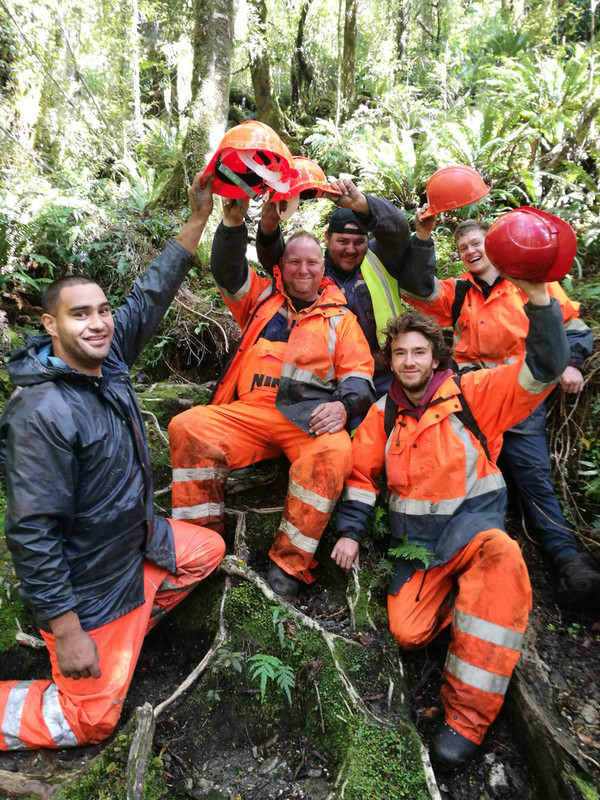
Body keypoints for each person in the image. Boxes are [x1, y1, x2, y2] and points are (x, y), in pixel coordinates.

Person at [0, 174, 225, 750]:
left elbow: (149, 294)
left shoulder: (109, 358)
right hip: (91, 586)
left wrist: (198, 220)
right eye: (80, 314)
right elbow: (32, 532)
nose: (98, 322)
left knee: (208, 551)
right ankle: (91, 652)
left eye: (102, 310)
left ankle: (126, 633)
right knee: (88, 722)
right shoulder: (41, 411)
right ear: (51, 325)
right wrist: (69, 630)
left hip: (136, 543)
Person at [333, 278, 570, 772]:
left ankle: (465, 722)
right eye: (400, 354)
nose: (411, 362)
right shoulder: (382, 413)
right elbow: (360, 475)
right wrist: (351, 532)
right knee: (407, 634)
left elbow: (543, 368)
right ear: (390, 361)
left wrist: (541, 300)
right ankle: (469, 604)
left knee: (503, 557)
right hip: (419, 552)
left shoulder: (474, 393)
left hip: (475, 534)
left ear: (436, 357)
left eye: (420, 352)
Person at [168, 195, 375, 599]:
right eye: (294, 261)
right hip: (247, 414)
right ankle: (199, 544)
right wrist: (231, 222)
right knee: (187, 426)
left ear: (322, 269)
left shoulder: (341, 319)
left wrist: (343, 405)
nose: (303, 269)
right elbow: (228, 270)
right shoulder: (262, 300)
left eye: (312, 262)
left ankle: (288, 564)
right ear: (281, 266)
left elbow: (359, 377)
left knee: (334, 454)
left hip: (307, 419)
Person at [400, 218, 599, 610]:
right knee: (466, 475)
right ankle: (463, 561)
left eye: (477, 243)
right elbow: (418, 291)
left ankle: (569, 561)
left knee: (532, 475)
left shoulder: (529, 282)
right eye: (463, 249)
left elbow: (572, 327)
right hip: (469, 397)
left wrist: (570, 363)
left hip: (519, 394)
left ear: (494, 245)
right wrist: (421, 237)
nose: (471, 252)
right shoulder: (458, 290)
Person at [252, 178, 437, 398]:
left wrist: (361, 203)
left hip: (388, 375)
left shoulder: (380, 259)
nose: (351, 249)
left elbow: (397, 228)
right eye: (342, 241)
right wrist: (268, 225)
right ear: (327, 238)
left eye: (358, 242)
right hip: (326, 381)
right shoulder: (312, 270)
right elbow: (275, 258)